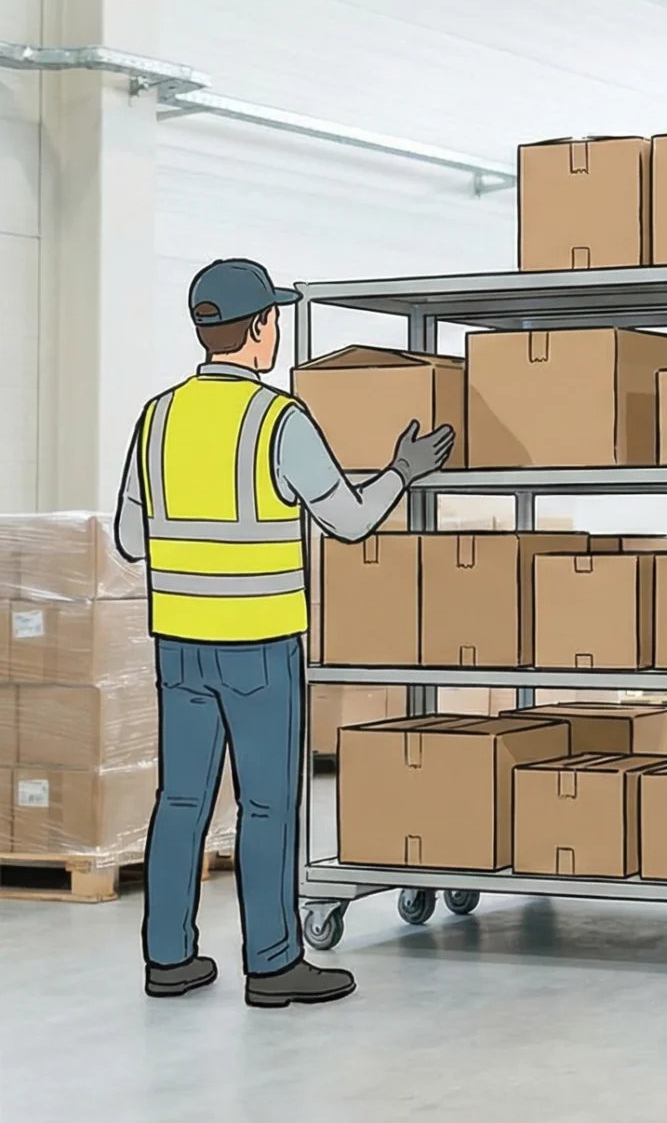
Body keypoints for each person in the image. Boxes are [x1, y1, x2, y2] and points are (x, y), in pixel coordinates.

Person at [116, 258, 452, 1007]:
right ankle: (271, 964)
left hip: (178, 642)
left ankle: (167, 957)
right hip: (260, 644)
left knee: (180, 801)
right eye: (274, 318)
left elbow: (130, 537)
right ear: (261, 328)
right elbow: (350, 519)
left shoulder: (156, 417)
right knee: (267, 803)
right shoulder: (279, 420)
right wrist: (404, 470)